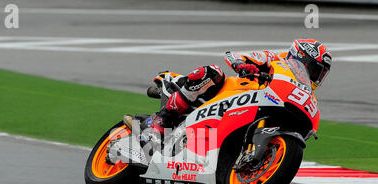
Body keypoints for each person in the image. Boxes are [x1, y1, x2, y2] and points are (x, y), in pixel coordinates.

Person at [129, 38, 332, 144]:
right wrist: (244, 65)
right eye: (314, 69)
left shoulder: (303, 91)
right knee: (211, 72)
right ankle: (160, 121)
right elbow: (234, 55)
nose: (315, 77)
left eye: (320, 74)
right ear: (300, 56)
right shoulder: (274, 58)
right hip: (230, 95)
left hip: (252, 111)